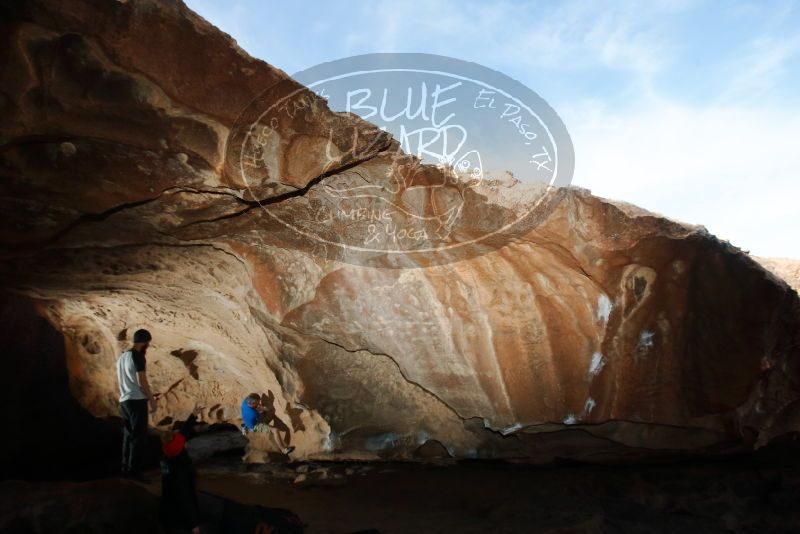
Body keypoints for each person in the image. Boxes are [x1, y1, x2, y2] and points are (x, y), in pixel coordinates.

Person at [116, 328, 157, 482]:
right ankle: (135, 472)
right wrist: (152, 400)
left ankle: (125, 469)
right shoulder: (138, 357)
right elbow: (142, 381)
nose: (148, 347)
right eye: (148, 344)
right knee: (138, 437)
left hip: (124, 402)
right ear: (145, 343)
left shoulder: (122, 357)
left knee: (128, 436)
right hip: (136, 401)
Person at [160, 406, 202, 534]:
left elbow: (183, 431)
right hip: (179, 520)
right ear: (181, 448)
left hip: (167, 512)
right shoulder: (180, 470)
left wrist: (193, 415)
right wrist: (193, 524)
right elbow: (185, 498)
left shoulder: (166, 458)